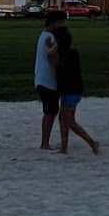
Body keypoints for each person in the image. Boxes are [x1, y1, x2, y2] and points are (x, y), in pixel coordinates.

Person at [53, 23, 100, 155]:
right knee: (64, 119)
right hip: (71, 90)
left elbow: (59, 67)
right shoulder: (71, 53)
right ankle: (64, 146)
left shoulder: (67, 54)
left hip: (71, 90)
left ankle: (91, 143)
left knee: (68, 120)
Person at [33, 12, 62, 150]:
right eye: (59, 23)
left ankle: (45, 141)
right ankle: (44, 143)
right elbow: (52, 59)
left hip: (41, 79)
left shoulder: (43, 35)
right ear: (53, 23)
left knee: (51, 111)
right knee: (50, 112)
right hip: (48, 81)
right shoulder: (50, 37)